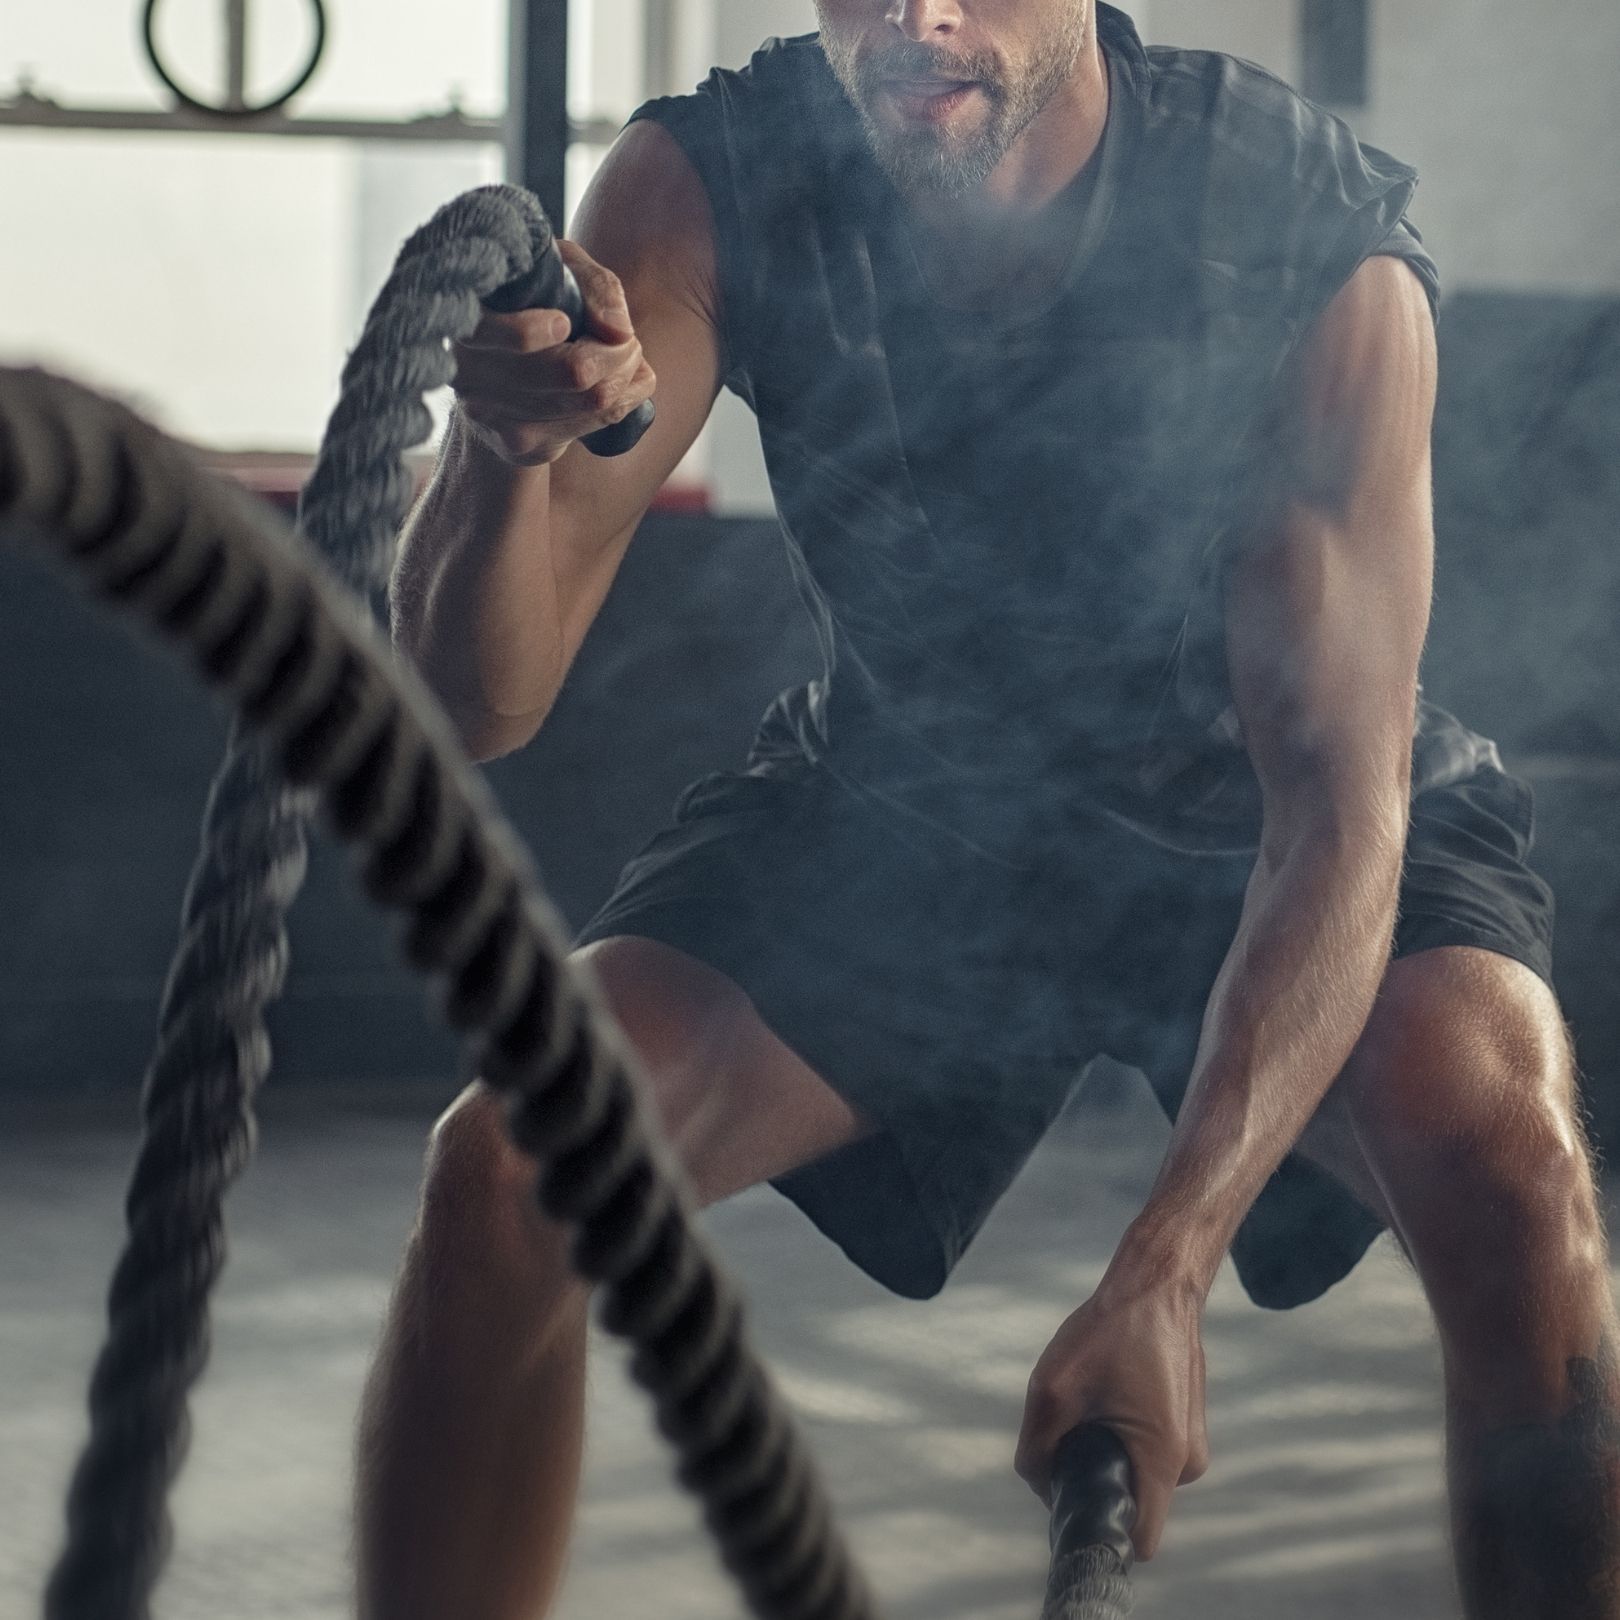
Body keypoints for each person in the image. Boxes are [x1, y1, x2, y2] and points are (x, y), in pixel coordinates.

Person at [370, 4, 1620, 1616]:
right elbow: (480, 706)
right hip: (919, 804)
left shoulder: (1303, 232)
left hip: (1265, 816)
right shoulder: (708, 181)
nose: (919, 13)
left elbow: (1336, 806)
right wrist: (503, 454)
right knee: (506, 1173)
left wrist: (1161, 1276)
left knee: (1514, 1170)